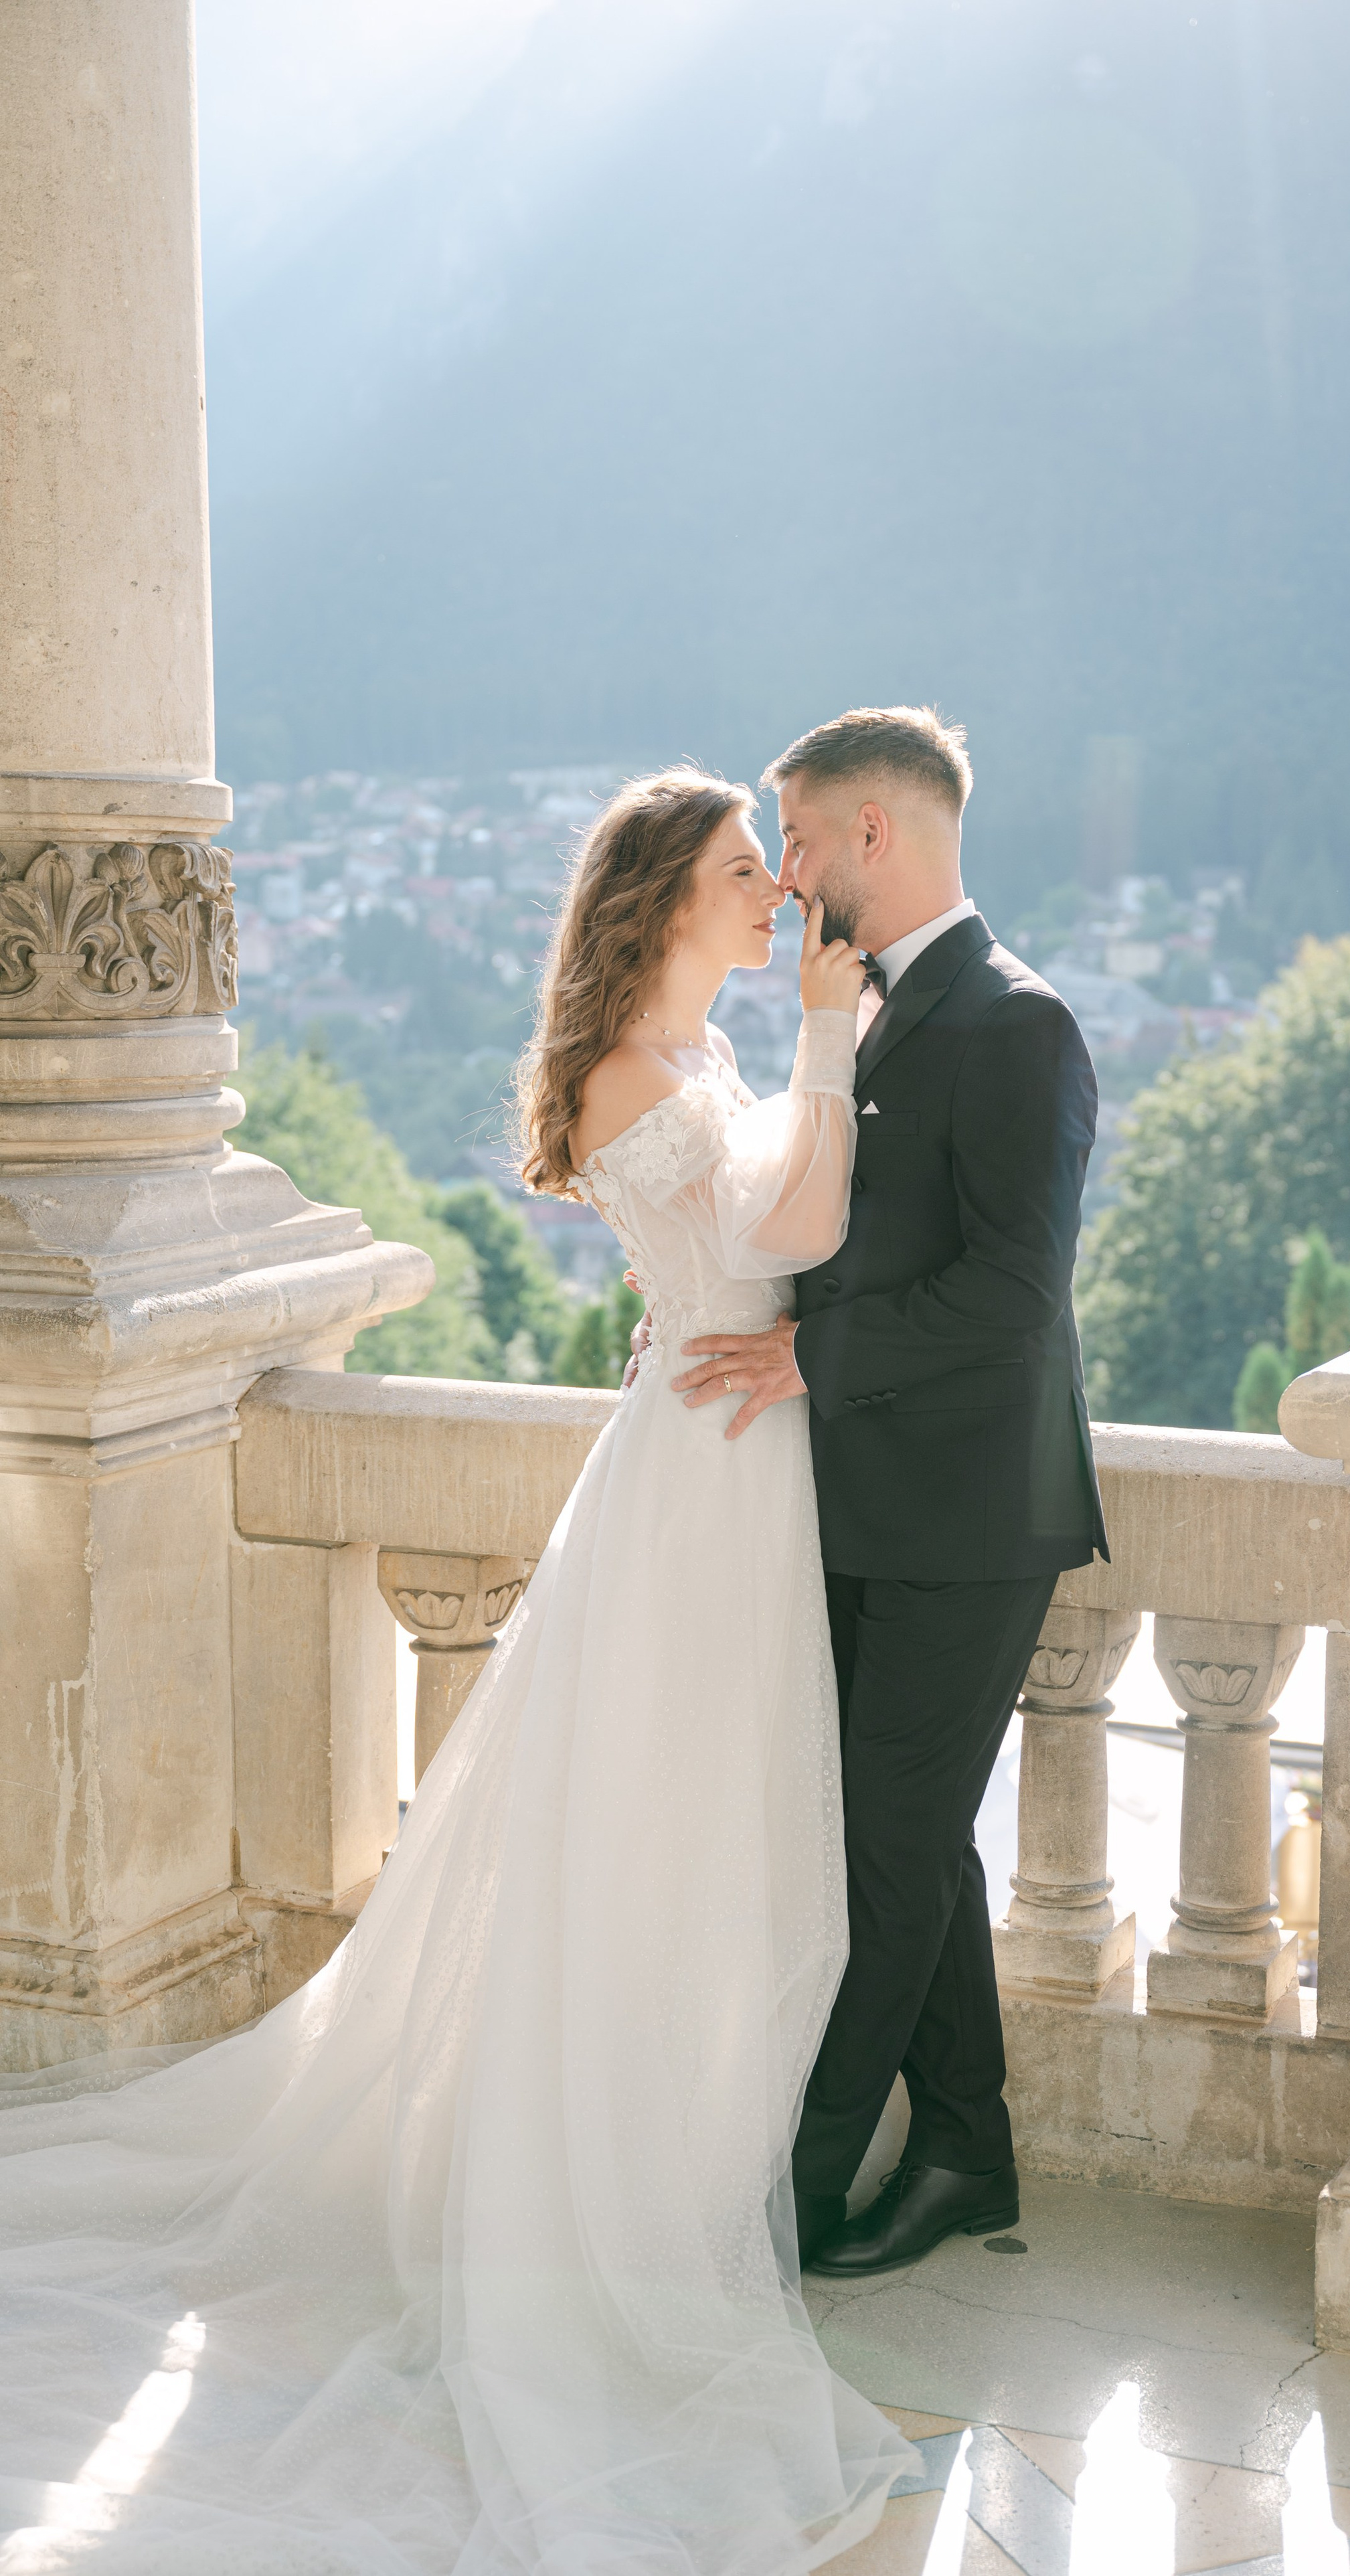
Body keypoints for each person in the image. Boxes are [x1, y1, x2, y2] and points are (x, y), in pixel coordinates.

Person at [0, 768, 915, 2573]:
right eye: (746, 871)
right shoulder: (633, 1076)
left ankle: (670, 2165)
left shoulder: (698, 1061)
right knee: (643, 1835)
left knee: (717, 1834)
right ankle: (597, 2202)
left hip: (731, 1452)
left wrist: (793, 1099)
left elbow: (753, 1254)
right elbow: (793, 1238)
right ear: (664, 897)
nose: (776, 895)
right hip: (699, 1478)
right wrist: (831, 1038)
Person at [671, 708, 1108, 2277]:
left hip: (970, 1521)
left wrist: (809, 1358)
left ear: (873, 829)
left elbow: (1015, 1291)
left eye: (795, 838)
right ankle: (965, 2153)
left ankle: (787, 2200)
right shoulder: (853, 1010)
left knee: (878, 1853)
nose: (785, 875)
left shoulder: (1018, 1023)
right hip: (852, 1506)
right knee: (912, 1845)